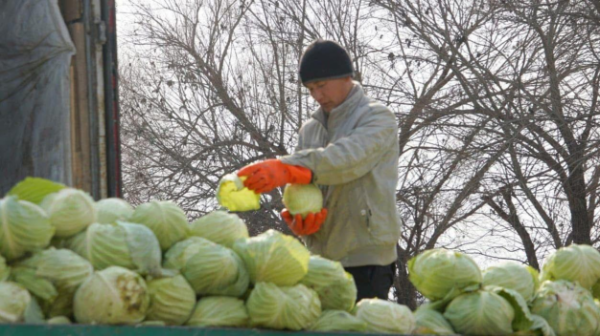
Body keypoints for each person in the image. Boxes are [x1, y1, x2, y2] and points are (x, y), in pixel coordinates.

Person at [237, 40, 402, 301]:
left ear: (346, 77)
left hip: (367, 259)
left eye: (321, 86)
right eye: (311, 89)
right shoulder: (310, 130)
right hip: (319, 261)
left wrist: (287, 168)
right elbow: (305, 185)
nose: (317, 96)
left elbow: (348, 159)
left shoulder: (377, 118)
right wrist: (301, 220)